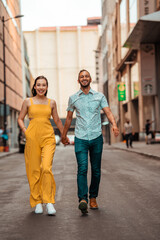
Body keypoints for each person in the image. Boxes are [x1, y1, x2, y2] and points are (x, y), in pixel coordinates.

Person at [62, 69, 119, 214]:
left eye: (86, 76)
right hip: (80, 138)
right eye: (81, 76)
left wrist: (114, 125)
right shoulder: (73, 98)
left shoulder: (99, 96)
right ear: (78, 80)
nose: (84, 78)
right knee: (82, 168)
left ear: (90, 79)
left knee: (96, 170)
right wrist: (64, 135)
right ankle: (83, 199)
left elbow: (108, 112)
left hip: (96, 137)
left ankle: (93, 197)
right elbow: (69, 118)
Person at [18, 76, 65, 215]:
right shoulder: (28, 101)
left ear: (47, 87)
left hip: (48, 138)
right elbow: (20, 118)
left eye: (43, 85)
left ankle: (49, 201)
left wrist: (64, 135)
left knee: (46, 168)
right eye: (38, 85)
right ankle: (37, 201)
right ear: (34, 86)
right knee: (33, 171)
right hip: (32, 138)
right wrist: (25, 132)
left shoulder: (52, 103)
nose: (41, 87)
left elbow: (57, 120)